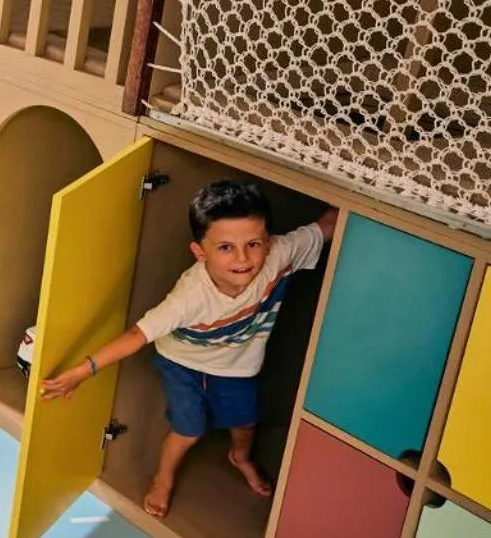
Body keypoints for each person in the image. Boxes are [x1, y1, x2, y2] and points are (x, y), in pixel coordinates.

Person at [41, 180, 337, 519]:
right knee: (188, 429)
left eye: (253, 244)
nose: (243, 258)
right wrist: (82, 371)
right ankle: (163, 478)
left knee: (246, 424)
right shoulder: (190, 296)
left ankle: (239, 457)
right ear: (200, 252)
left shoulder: (281, 254)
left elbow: (326, 226)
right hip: (182, 363)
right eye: (225, 247)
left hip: (238, 365)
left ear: (268, 241)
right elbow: (137, 336)